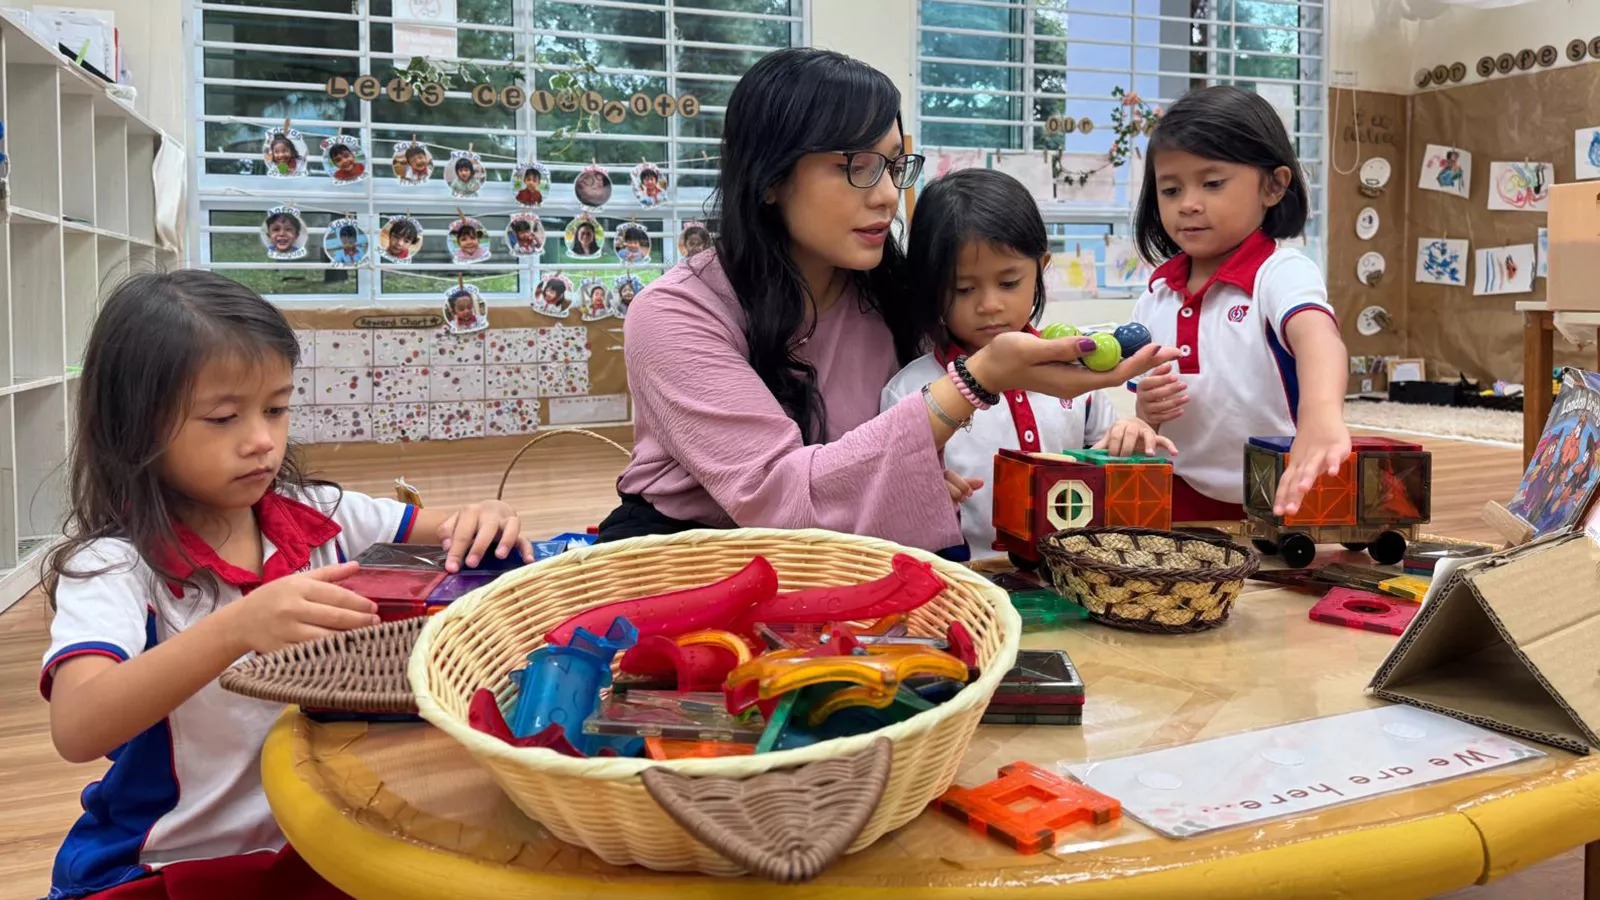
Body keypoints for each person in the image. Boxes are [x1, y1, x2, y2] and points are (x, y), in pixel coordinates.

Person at [38, 271, 531, 900]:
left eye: (276, 408)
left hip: (325, 842)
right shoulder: (116, 566)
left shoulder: (319, 514)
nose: (262, 440)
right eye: (222, 417)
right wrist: (236, 628)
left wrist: (483, 516)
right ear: (135, 426)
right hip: (173, 865)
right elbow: (78, 727)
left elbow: (447, 529)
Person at [597, 48, 1175, 547]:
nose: (885, 197)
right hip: (694, 555)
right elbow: (779, 501)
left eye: (894, 167)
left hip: (847, 558)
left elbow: (897, 454)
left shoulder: (895, 297)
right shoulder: (677, 315)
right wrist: (978, 380)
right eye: (856, 167)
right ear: (769, 178)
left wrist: (920, 480)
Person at [882, 169, 1174, 560]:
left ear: (1041, 268)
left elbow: (1107, 461)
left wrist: (1132, 430)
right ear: (930, 286)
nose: (990, 305)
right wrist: (920, 496)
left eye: (1008, 283)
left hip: (1072, 577)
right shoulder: (910, 392)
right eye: (963, 288)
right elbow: (888, 507)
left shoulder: (1078, 374)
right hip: (968, 586)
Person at [1128, 85, 1349, 520]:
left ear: (1273, 186)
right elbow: (1148, 414)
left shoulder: (1279, 271)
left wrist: (1321, 417)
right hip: (1179, 494)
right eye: (1170, 190)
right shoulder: (1156, 295)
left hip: (1280, 491)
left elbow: (1318, 339)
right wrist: (1144, 415)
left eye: (1212, 184)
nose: (1188, 205)